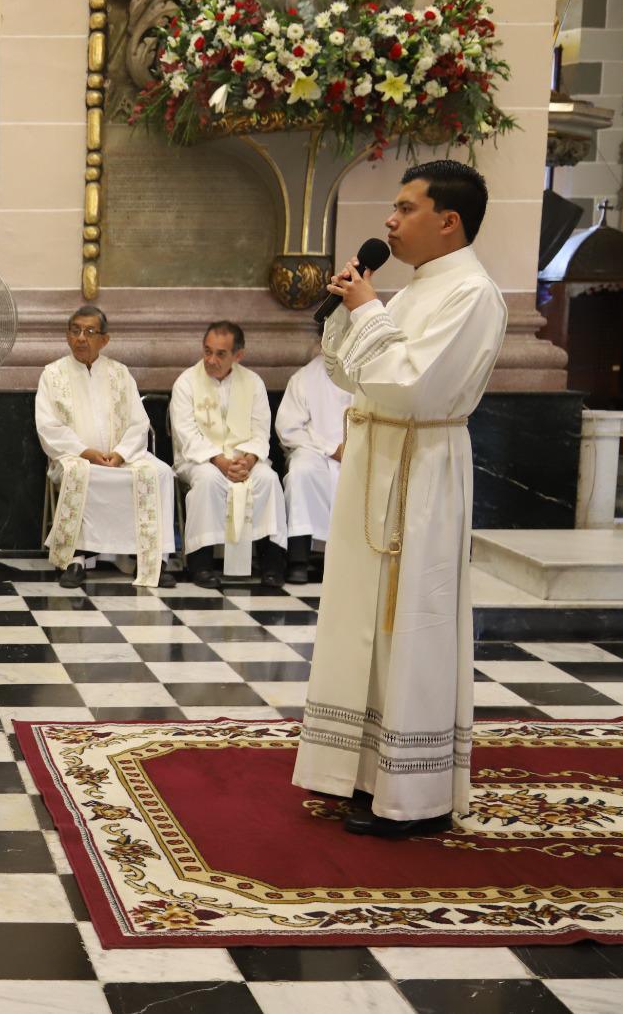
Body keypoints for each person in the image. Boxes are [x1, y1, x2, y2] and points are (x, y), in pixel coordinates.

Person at [293, 160, 506, 839]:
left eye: (405, 207)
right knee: (362, 624)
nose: (390, 220)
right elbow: (350, 373)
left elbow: (412, 387)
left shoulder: (472, 294)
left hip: (420, 472)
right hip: (377, 461)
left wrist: (368, 312)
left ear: (449, 219)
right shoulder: (416, 289)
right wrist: (347, 314)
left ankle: (412, 796)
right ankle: (360, 772)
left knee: (408, 619)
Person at [37, 306, 177, 589]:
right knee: (80, 474)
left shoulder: (120, 374)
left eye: (89, 332)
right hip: (75, 457)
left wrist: (121, 453)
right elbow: (48, 426)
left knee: (159, 472)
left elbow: (139, 422)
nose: (81, 338)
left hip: (120, 457)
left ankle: (151, 560)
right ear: (67, 336)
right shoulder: (52, 375)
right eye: (75, 331)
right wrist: (85, 452)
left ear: (105, 339)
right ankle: (75, 559)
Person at [170, 320, 289, 589]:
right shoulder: (186, 383)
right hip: (198, 459)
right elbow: (186, 432)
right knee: (209, 481)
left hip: (244, 458)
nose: (211, 360)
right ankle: (200, 565)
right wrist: (220, 461)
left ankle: (271, 565)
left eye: (220, 354)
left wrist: (248, 459)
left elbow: (260, 431)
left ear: (238, 355)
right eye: (207, 351)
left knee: (268, 480)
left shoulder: (253, 383)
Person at [275, 352, 353, 583]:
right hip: (315, 450)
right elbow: (288, 428)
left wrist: (353, 449)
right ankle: (299, 559)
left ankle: (347, 561)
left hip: (359, 452)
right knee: (302, 471)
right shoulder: (305, 378)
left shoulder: (367, 373)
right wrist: (330, 449)